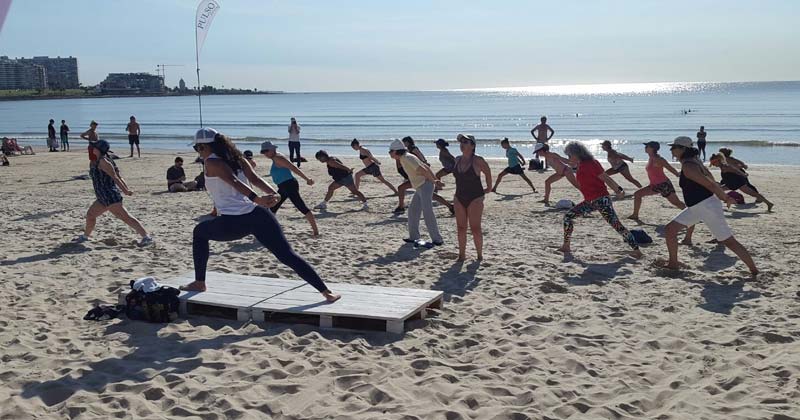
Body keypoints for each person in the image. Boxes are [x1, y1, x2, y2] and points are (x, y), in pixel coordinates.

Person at [179, 128, 340, 302]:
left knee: (199, 232)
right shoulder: (238, 158)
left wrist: (259, 198)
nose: (198, 152)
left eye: (197, 148)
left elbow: (235, 182)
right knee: (287, 255)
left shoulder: (211, 162)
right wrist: (272, 193)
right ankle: (326, 293)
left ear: (205, 146)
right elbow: (255, 179)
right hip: (258, 215)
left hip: (234, 222)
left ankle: (200, 282)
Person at [662, 137, 757, 275]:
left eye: (674, 147)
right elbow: (710, 176)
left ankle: (754, 271)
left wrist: (725, 197)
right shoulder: (694, 160)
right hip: (697, 207)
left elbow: (709, 184)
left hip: (706, 206)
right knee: (670, 230)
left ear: (683, 149)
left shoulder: (689, 165)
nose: (671, 150)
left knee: (729, 241)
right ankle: (673, 263)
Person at [559, 141, 641, 258]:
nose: (569, 157)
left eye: (569, 155)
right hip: (590, 201)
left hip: (601, 200)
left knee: (617, 225)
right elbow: (572, 167)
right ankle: (566, 246)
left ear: (576, 153)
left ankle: (636, 250)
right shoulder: (580, 164)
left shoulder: (592, 163)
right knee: (568, 217)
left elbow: (606, 178)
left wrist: (618, 191)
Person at [74, 140, 153, 246]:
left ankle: (146, 237)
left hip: (110, 196)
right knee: (90, 215)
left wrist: (125, 190)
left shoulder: (104, 162)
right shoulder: (94, 161)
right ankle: (85, 237)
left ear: (99, 149)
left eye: (94, 147)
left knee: (125, 217)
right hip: (102, 196)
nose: (92, 148)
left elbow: (116, 178)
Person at [389, 139, 443, 248]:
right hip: (420, 186)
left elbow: (423, 169)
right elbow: (426, 166)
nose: (389, 153)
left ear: (395, 151)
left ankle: (437, 239)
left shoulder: (407, 158)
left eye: (390, 151)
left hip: (425, 185)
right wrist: (435, 180)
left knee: (427, 212)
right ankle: (414, 237)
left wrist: (434, 181)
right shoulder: (405, 157)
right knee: (413, 211)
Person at [261, 141, 319, 236]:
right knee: (272, 206)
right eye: (263, 152)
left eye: (266, 151)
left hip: (289, 185)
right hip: (283, 186)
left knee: (301, 206)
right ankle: (270, 228)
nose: (265, 154)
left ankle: (316, 231)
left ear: (273, 149)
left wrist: (307, 179)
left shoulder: (278, 158)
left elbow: (293, 168)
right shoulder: (275, 157)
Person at [452, 134, 492, 260]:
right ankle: (461, 255)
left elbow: (487, 172)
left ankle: (479, 255)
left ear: (473, 145)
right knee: (461, 228)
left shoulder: (478, 160)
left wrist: (489, 187)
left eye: (465, 142)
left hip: (475, 197)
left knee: (475, 228)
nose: (462, 144)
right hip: (459, 197)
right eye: (461, 142)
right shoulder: (457, 159)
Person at [627, 141, 687, 221]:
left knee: (676, 203)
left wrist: (683, 173)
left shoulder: (659, 159)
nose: (645, 148)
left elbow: (673, 170)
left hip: (664, 185)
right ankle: (635, 215)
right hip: (654, 185)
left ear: (653, 148)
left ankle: (692, 214)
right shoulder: (651, 158)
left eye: (647, 146)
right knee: (637, 194)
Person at [394, 136, 454, 214]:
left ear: (407, 142)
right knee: (430, 195)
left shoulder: (412, 149)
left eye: (404, 142)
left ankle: (401, 207)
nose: (403, 144)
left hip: (419, 176)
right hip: (414, 176)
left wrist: (425, 163)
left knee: (401, 188)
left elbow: (420, 157)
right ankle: (450, 206)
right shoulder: (405, 153)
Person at [709, 153, 774, 211]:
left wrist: (743, 174)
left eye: (714, 163)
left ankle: (769, 203)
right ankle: (714, 205)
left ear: (718, 161)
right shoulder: (722, 167)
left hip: (738, 183)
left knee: (753, 194)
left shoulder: (726, 166)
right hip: (730, 184)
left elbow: (736, 170)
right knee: (717, 191)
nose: (713, 165)